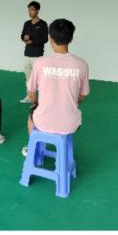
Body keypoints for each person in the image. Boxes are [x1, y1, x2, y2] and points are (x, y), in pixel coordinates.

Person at [23, 18, 89, 157]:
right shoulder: (82, 65)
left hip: (43, 121)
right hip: (70, 123)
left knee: (31, 113)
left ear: (50, 38)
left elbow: (31, 94)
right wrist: (71, 102)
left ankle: (32, 147)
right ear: (71, 39)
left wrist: (37, 103)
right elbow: (83, 95)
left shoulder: (40, 63)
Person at [20, 1, 49, 103]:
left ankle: (42, 99)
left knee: (39, 79)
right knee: (28, 78)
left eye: (32, 10)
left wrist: (33, 41)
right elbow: (22, 36)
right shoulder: (27, 24)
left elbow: (45, 39)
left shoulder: (43, 24)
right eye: (28, 10)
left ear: (37, 11)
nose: (30, 12)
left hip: (37, 56)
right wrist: (24, 39)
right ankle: (29, 97)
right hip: (27, 54)